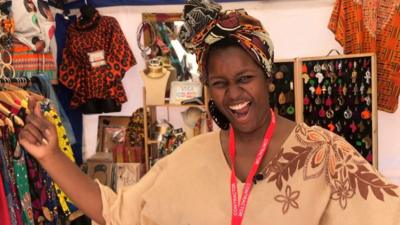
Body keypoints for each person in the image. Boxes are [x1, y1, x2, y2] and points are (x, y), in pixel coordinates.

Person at [19, 0, 400, 225]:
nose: (234, 94)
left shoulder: (324, 156)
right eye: (219, 83)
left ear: (268, 78)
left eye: (245, 78)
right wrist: (52, 156)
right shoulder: (190, 159)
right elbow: (118, 213)